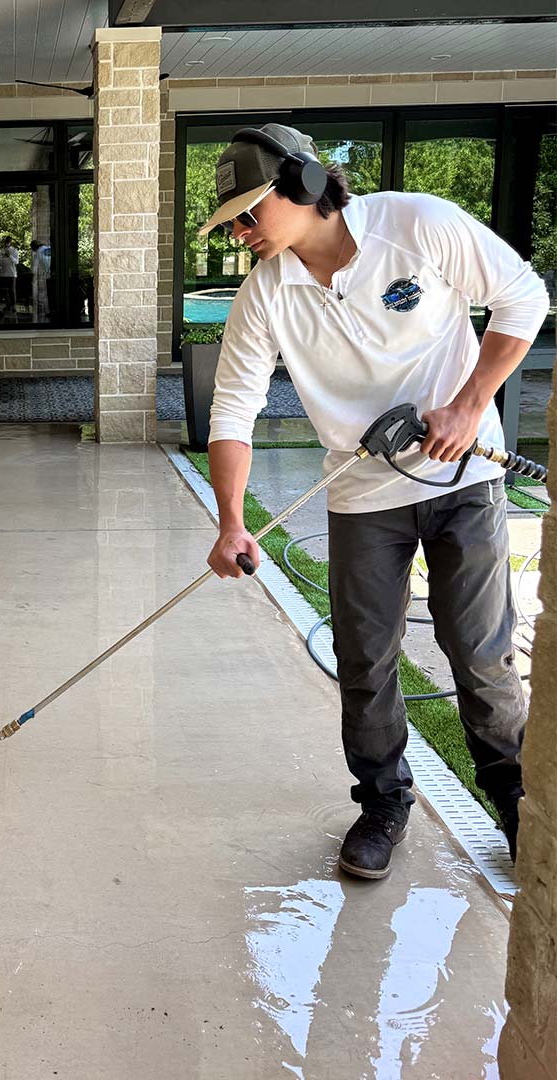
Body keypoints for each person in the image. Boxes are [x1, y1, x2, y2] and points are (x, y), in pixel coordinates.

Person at [200, 123, 549, 879]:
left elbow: (523, 296)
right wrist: (231, 521)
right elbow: (232, 408)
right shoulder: (265, 296)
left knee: (480, 653)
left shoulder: (416, 224)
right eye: (232, 221)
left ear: (308, 186)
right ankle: (383, 803)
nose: (240, 232)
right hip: (362, 494)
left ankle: (515, 801)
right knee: (364, 660)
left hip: (465, 479)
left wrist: (465, 406)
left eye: (250, 213)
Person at [0, 236, 19, 317]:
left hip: (11, 274)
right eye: (5, 241)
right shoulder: (0, 250)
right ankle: (7, 305)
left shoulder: (14, 250)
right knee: (4, 291)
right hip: (2, 274)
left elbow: (16, 262)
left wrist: (10, 256)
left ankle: (13, 306)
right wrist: (1, 256)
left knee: (12, 290)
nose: (6, 243)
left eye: (8, 241)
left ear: (10, 242)